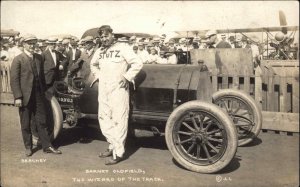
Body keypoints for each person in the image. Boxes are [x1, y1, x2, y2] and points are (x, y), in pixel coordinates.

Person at [90, 25, 143, 165]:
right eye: (101, 37)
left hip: (118, 89)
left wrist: (127, 77)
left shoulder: (123, 48)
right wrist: (98, 75)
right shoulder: (100, 51)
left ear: (112, 35)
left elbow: (137, 63)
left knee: (119, 119)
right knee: (104, 118)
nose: (104, 39)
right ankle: (112, 145)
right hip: (104, 88)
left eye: (106, 36)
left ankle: (118, 153)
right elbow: (93, 65)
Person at [10, 34, 62, 157]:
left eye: (34, 43)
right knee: (26, 122)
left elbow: (42, 77)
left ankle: (47, 146)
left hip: (39, 95)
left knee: (42, 121)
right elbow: (14, 80)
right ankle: (28, 147)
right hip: (25, 96)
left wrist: (45, 91)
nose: (32, 45)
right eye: (30, 43)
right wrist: (18, 97)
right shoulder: (18, 59)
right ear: (24, 45)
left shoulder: (39, 58)